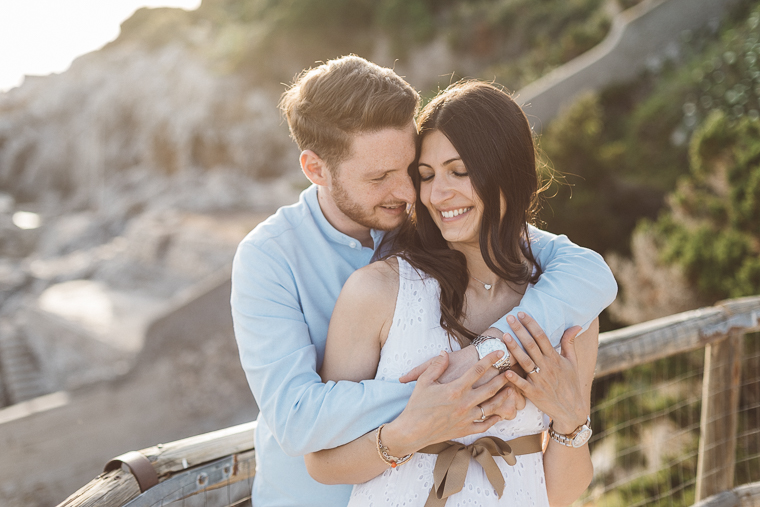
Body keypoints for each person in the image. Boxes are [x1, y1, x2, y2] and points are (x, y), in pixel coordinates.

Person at [231, 55, 617, 507]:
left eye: (411, 169)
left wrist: (489, 352)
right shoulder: (269, 258)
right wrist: (463, 386)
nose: (411, 193)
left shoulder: (436, 219)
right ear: (316, 169)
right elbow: (296, 420)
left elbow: (588, 272)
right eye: (380, 177)